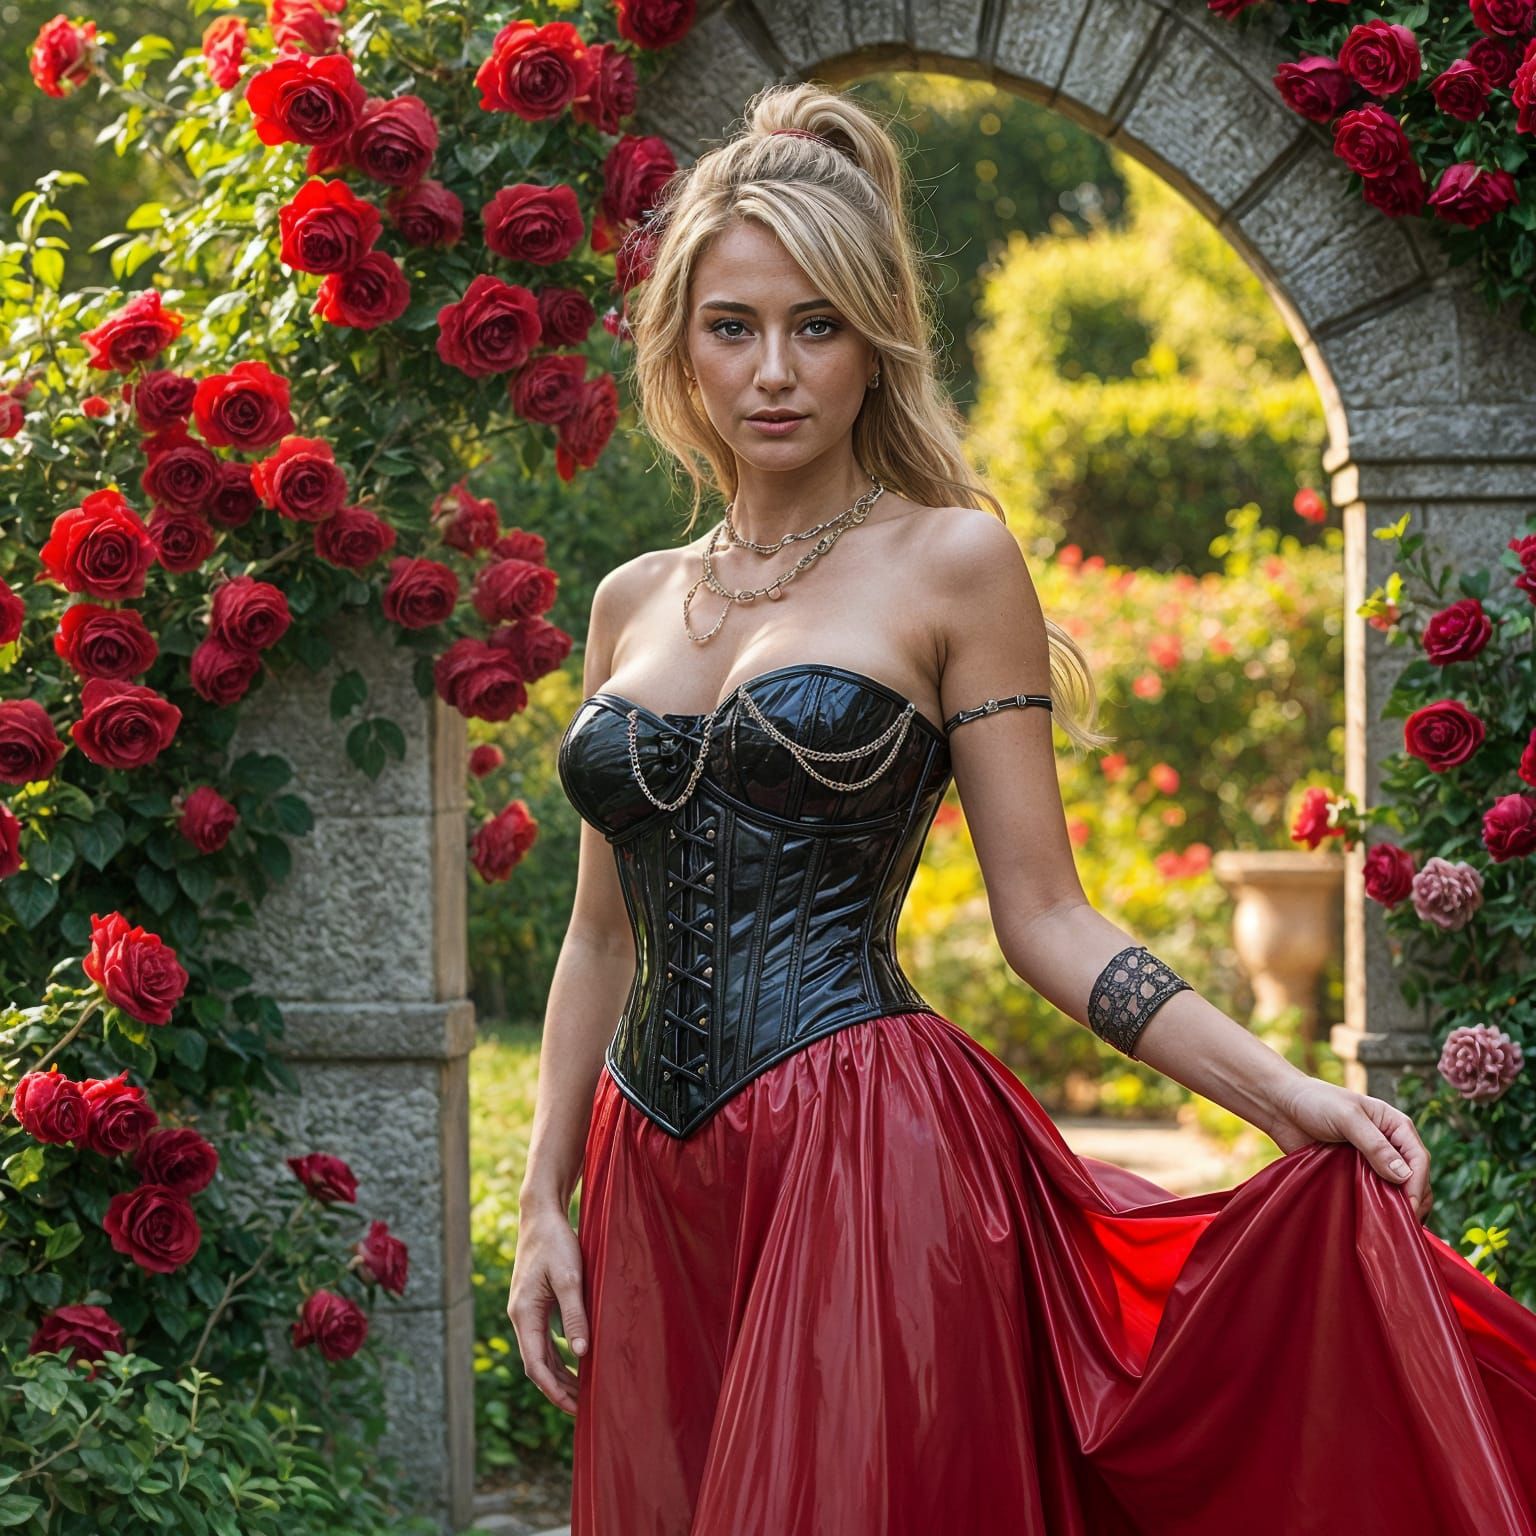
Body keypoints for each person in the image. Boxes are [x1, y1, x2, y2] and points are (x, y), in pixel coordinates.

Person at [508, 80, 1536, 1536]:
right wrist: (543, 1201)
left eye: (820, 324)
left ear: (877, 343)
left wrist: (1288, 1099)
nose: (774, 371)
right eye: (733, 326)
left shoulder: (953, 563)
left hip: (859, 1147)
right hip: (647, 1167)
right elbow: (597, 943)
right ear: (681, 344)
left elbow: (1046, 918)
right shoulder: (628, 602)